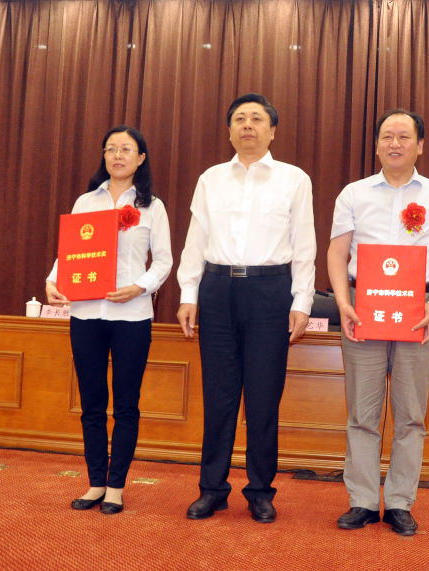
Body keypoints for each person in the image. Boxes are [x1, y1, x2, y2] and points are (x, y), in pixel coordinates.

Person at [176, 93, 316, 524]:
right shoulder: (211, 179)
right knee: (218, 396)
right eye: (240, 119)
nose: (248, 125)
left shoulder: (294, 179)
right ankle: (212, 489)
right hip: (218, 289)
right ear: (230, 131)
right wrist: (188, 293)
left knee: (262, 397)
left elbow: (305, 244)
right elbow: (196, 238)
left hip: (270, 292)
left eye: (257, 119)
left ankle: (260, 491)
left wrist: (302, 300)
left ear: (273, 130)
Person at [328, 108, 429, 535]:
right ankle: (363, 501)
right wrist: (343, 303)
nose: (395, 143)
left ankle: (401, 502)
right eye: (387, 136)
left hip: (418, 312)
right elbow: (337, 252)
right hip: (363, 310)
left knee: (411, 415)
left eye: (404, 136)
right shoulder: (353, 194)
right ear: (376, 145)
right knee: (362, 412)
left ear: (420, 145)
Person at [45, 126, 172, 515]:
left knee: (126, 405)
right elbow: (70, 252)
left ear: (140, 158)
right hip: (86, 314)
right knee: (92, 405)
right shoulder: (86, 201)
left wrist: (139, 287)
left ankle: (116, 486)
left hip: (132, 315)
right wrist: (53, 280)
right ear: (103, 155)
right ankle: (96, 482)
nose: (118, 155)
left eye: (126, 149)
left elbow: (164, 261)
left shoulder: (153, 206)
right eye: (111, 149)